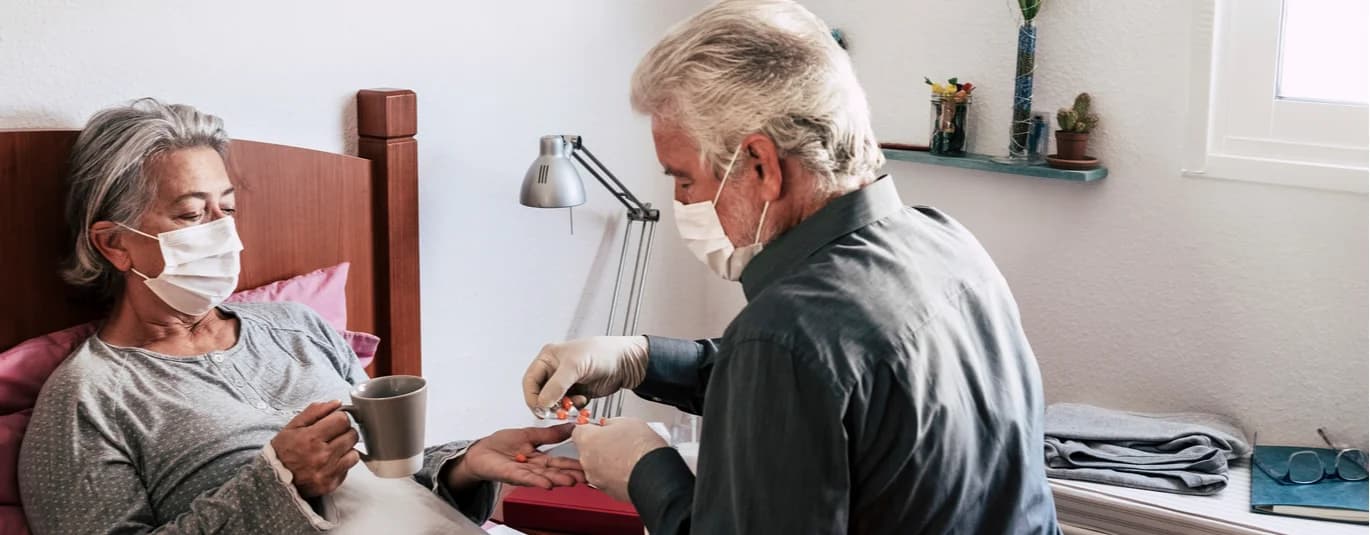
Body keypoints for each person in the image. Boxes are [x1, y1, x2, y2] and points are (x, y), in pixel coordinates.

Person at [520, 0, 1059, 533]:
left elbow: (793, 364)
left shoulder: (784, 335)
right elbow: (817, 390)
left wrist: (644, 471)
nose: (681, 202)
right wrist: (641, 357)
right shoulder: (944, 239)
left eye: (685, 179)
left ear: (761, 166)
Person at [18, 99, 584, 535]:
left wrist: (465, 466)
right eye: (192, 215)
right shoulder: (87, 398)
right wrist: (279, 483)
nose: (221, 233)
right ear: (115, 245)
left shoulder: (296, 327)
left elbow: (386, 476)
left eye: (228, 209)